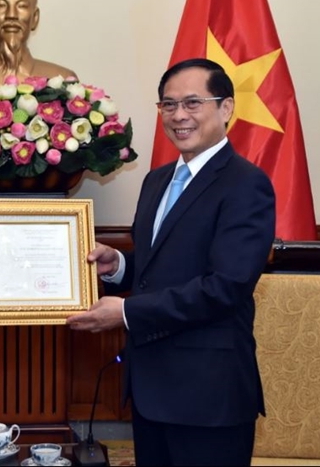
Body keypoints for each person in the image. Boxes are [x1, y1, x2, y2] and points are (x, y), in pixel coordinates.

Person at [67, 58, 276, 466]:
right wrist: (119, 265)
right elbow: (161, 265)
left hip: (208, 396)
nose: (179, 115)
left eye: (193, 103)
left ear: (226, 108)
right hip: (150, 388)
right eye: (168, 104)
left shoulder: (246, 184)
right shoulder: (157, 180)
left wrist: (126, 312)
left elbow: (226, 287)